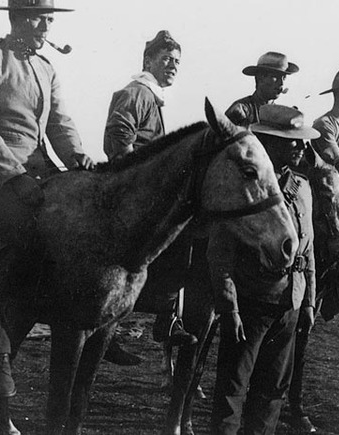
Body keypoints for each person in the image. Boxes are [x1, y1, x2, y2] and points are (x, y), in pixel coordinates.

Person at [0, 0, 94, 399]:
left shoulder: (46, 67)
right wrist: (13, 174)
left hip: (41, 171)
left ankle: (90, 319)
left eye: (50, 18)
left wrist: (75, 156)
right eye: (38, 17)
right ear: (15, 17)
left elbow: (58, 122)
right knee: (23, 239)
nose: (46, 25)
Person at [209, 105, 318, 435]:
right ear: (269, 141)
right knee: (232, 392)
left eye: (302, 141)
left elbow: (308, 249)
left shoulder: (302, 188)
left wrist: (309, 302)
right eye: (293, 141)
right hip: (250, 305)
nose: (301, 147)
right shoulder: (244, 187)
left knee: (272, 394)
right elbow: (220, 254)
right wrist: (230, 308)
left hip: (290, 306)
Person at [101, 30, 196, 366]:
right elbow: (118, 135)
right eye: (166, 59)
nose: (172, 66)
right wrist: (137, 181)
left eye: (177, 62)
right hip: (132, 193)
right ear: (148, 61)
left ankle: (165, 319)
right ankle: (131, 327)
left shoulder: (150, 96)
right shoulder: (137, 92)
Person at [225, 52, 299, 128]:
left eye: (284, 77)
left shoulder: (281, 116)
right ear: (260, 77)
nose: (281, 83)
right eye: (276, 76)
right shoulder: (241, 110)